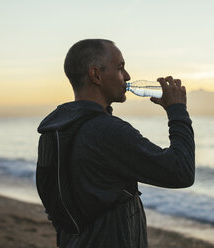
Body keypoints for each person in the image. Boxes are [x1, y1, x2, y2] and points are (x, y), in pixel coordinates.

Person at [36, 39, 195, 248]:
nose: (128, 76)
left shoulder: (59, 126)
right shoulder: (107, 132)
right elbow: (180, 171)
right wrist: (177, 111)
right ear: (96, 75)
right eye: (120, 68)